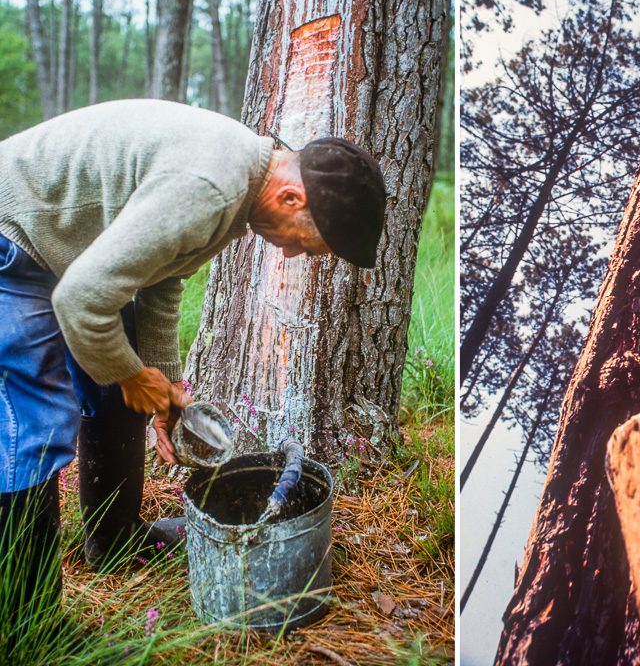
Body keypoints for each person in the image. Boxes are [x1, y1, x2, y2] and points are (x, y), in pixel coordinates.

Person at [0, 99, 386, 635]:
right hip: (11, 238)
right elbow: (81, 300)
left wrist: (162, 384)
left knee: (117, 365)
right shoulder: (212, 188)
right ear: (293, 197)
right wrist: (134, 377)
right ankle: (26, 622)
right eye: (306, 242)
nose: (296, 255)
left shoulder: (241, 179)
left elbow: (162, 277)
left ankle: (113, 542)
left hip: (56, 249)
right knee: (29, 429)